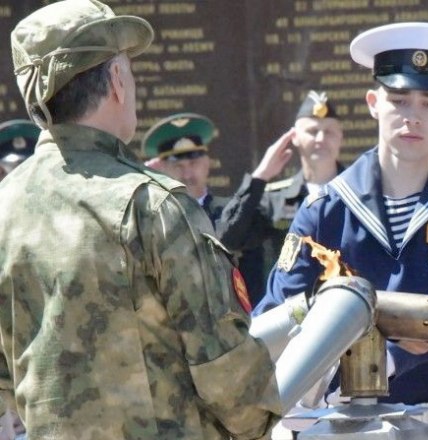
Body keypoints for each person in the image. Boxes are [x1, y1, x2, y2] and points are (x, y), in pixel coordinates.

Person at [0, 1, 282, 438]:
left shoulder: (5, 205)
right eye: (128, 71)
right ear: (116, 81)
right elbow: (227, 375)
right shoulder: (153, 205)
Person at [254, 22, 428, 440]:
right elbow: (281, 308)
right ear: (374, 103)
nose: (412, 117)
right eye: (398, 100)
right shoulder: (325, 208)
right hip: (341, 426)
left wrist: (375, 360)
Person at [216, 90, 344, 305]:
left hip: (349, 312)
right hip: (291, 314)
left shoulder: (360, 193)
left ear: (341, 137)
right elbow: (228, 239)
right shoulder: (274, 199)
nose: (321, 139)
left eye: (329, 132)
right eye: (312, 131)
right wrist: (260, 177)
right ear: (294, 138)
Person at [142, 112, 269, 300]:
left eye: (193, 163)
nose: (187, 173)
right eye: (177, 166)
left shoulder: (233, 212)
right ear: (162, 169)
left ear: (207, 163)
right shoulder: (153, 218)